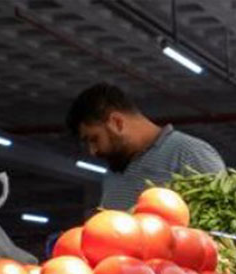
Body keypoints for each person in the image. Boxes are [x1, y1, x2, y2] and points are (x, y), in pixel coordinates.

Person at [66, 83, 225, 209]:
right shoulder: (113, 172)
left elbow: (223, 221)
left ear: (117, 122)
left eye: (94, 139)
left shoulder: (190, 153)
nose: (93, 151)